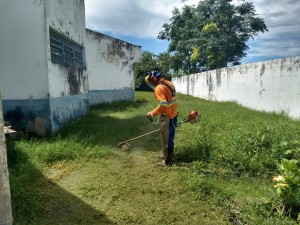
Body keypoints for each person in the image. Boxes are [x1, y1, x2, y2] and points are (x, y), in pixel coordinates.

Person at [145, 70, 178, 166]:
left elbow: (163, 104)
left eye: (150, 81)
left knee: (166, 139)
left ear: (154, 79)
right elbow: (171, 100)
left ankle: (168, 161)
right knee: (170, 138)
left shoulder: (158, 88)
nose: (151, 84)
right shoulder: (169, 83)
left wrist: (152, 113)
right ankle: (167, 155)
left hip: (166, 116)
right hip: (173, 114)